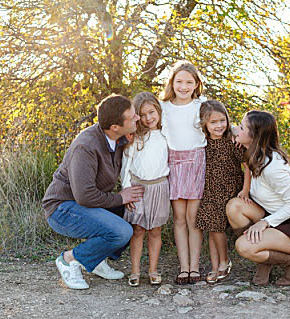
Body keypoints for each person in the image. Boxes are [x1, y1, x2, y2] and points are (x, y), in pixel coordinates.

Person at [42, 94, 144, 291]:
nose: (138, 118)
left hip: (85, 205)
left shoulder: (117, 137)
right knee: (121, 231)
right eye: (133, 118)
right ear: (115, 127)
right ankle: (69, 259)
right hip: (63, 209)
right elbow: (85, 196)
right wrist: (121, 197)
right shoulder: (86, 146)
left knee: (135, 214)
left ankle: (95, 261)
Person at [227, 111, 290, 287]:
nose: (238, 130)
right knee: (234, 207)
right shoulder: (253, 151)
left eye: (242, 127)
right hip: (272, 214)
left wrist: (265, 223)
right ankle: (264, 260)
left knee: (244, 246)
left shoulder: (273, 166)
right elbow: (227, 127)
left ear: (255, 136)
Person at [160, 60, 207, 284]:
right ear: (172, 83)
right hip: (174, 162)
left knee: (193, 218)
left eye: (189, 82)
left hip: (196, 160)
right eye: (179, 81)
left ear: (196, 84)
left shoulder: (202, 105)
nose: (184, 86)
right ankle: (184, 267)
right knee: (179, 218)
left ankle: (195, 267)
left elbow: (222, 123)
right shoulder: (164, 107)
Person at [195, 99, 247, 283]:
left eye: (222, 121)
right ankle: (215, 265)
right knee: (211, 228)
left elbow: (247, 165)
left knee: (217, 227)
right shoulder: (203, 142)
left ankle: (224, 261)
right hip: (209, 190)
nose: (219, 126)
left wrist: (246, 190)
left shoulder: (233, 142)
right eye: (213, 122)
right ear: (205, 124)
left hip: (229, 189)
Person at [121, 92, 169, 286]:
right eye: (143, 114)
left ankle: (153, 270)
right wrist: (126, 190)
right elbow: (126, 163)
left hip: (159, 186)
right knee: (138, 230)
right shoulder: (135, 138)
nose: (149, 118)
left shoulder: (166, 133)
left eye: (152, 112)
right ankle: (135, 271)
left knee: (155, 230)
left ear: (158, 110)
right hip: (137, 187)